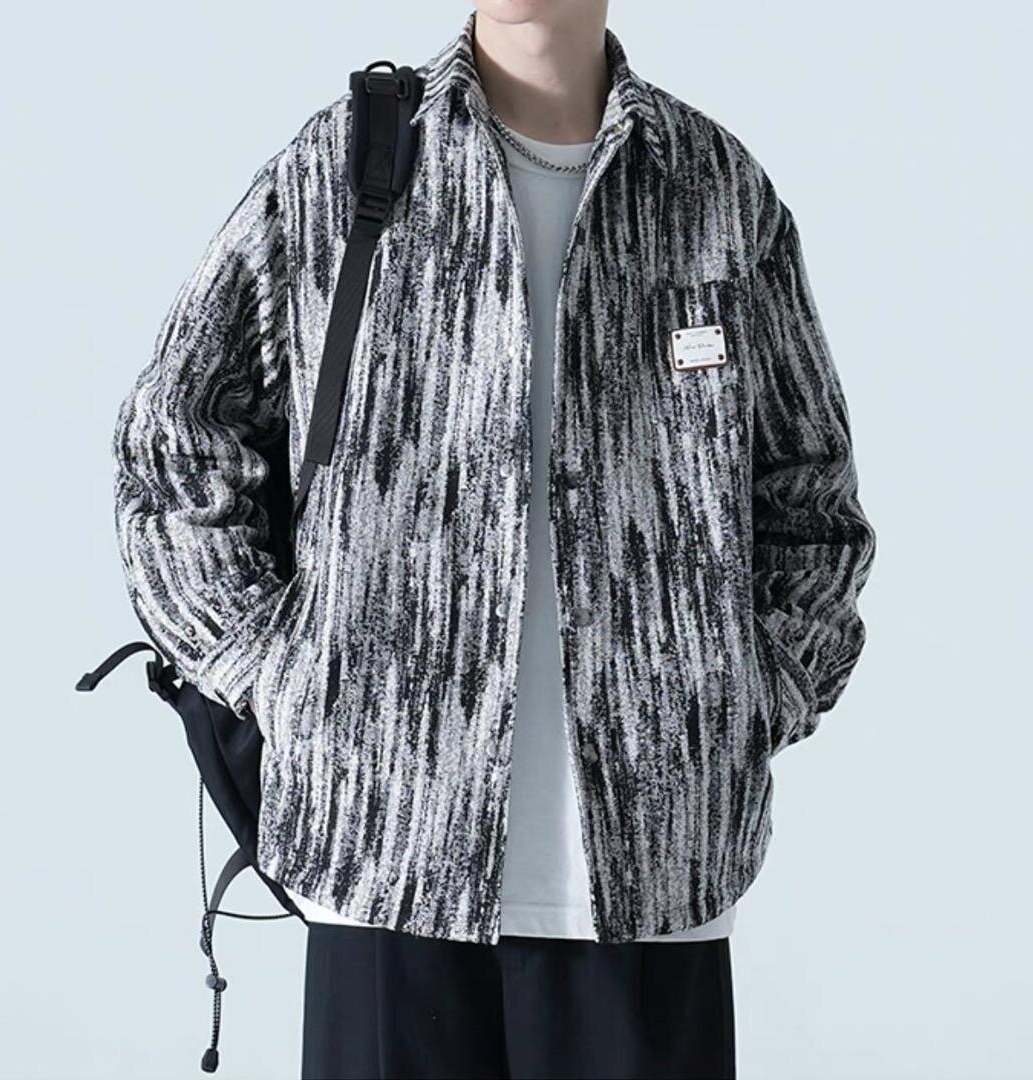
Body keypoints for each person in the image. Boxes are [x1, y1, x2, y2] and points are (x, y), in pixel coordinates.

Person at [111, 2, 876, 1077]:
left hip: (657, 870)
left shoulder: (712, 189)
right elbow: (174, 445)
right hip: (386, 856)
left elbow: (810, 493)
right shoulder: (345, 167)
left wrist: (752, 694)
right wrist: (277, 674)